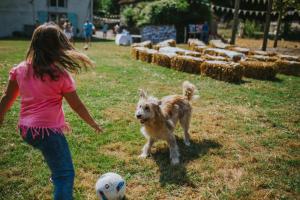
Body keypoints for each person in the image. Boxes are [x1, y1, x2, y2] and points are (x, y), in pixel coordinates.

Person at [0, 22, 102, 200]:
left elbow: (8, 97)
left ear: (34, 44)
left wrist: (0, 115)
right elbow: (77, 106)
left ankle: (56, 174)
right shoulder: (60, 75)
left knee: (56, 164)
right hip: (47, 133)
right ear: (59, 46)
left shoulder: (20, 69)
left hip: (26, 130)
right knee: (65, 175)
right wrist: (93, 123)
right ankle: (59, 180)